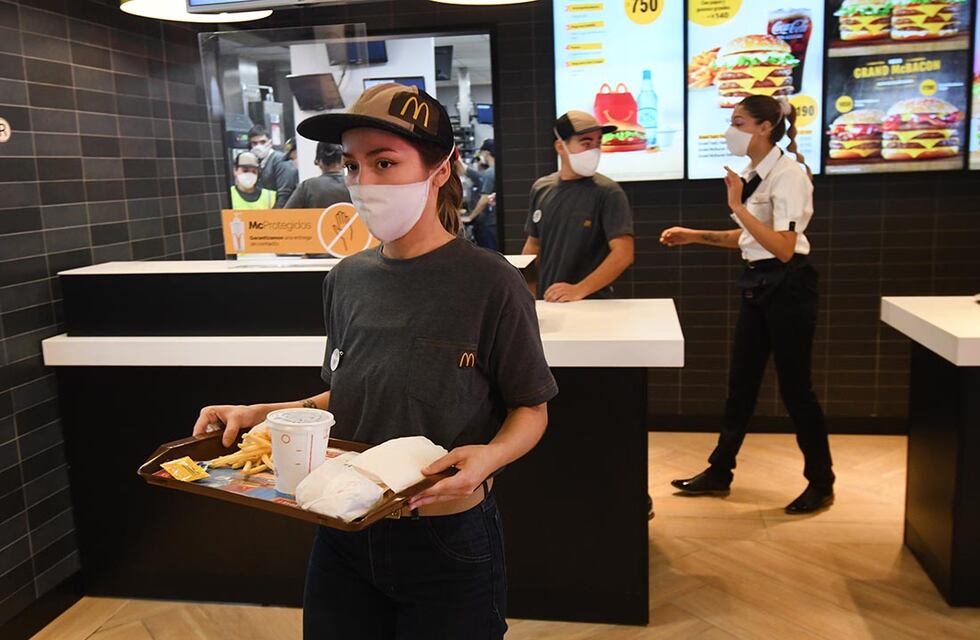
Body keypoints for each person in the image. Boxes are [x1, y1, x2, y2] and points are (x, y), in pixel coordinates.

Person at [192, 83, 557, 639]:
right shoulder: (346, 278)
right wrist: (268, 411)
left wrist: (487, 459)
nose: (364, 183)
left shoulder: (492, 282)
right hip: (341, 524)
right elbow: (351, 391)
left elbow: (530, 409)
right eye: (354, 165)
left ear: (441, 168)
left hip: (446, 536)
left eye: (386, 163)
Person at [660, 95, 835, 515]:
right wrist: (695, 235)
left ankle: (822, 482)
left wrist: (737, 206)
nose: (730, 130)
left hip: (789, 286)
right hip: (759, 282)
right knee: (740, 385)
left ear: (764, 126)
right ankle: (720, 471)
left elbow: (785, 248)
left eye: (738, 121)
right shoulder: (754, 173)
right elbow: (751, 240)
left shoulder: (789, 174)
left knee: (796, 390)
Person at [522, 111, 635, 302]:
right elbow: (533, 245)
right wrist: (526, 292)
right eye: (586, 143)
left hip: (593, 303)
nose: (594, 149)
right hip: (549, 301)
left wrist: (579, 289)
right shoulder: (541, 188)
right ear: (560, 146)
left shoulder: (608, 192)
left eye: (598, 142)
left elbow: (623, 253)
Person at [284, 142, 352, 209]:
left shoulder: (307, 186)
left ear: (319, 162)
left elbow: (286, 215)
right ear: (343, 161)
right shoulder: (353, 184)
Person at [248, 125, 299, 208]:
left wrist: (275, 216)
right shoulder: (256, 162)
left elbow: (284, 194)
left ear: (270, 143)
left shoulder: (280, 160)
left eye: (263, 142)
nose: (258, 146)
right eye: (254, 143)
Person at [461, 138, 498, 251]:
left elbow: (484, 199)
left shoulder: (489, 173)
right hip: (494, 223)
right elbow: (471, 173)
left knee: (489, 256)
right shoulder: (496, 171)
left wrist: (470, 217)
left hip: (487, 225)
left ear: (486, 153)